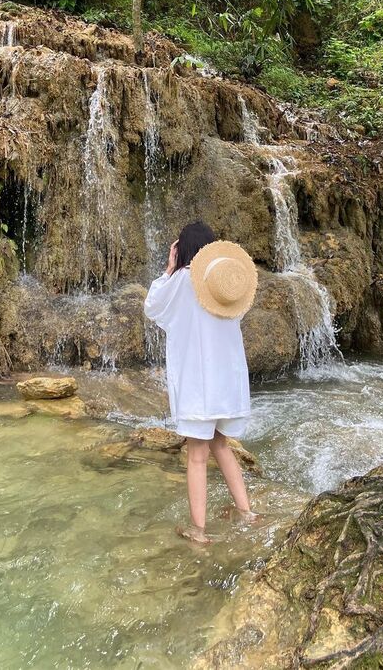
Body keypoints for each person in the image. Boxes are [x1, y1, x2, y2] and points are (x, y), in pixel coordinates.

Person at [143, 221, 259, 544]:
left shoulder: (181, 281)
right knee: (221, 445)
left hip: (198, 386)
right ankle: (247, 512)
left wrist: (169, 268)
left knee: (197, 455)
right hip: (227, 386)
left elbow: (151, 305)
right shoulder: (224, 284)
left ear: (181, 250)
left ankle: (199, 531)